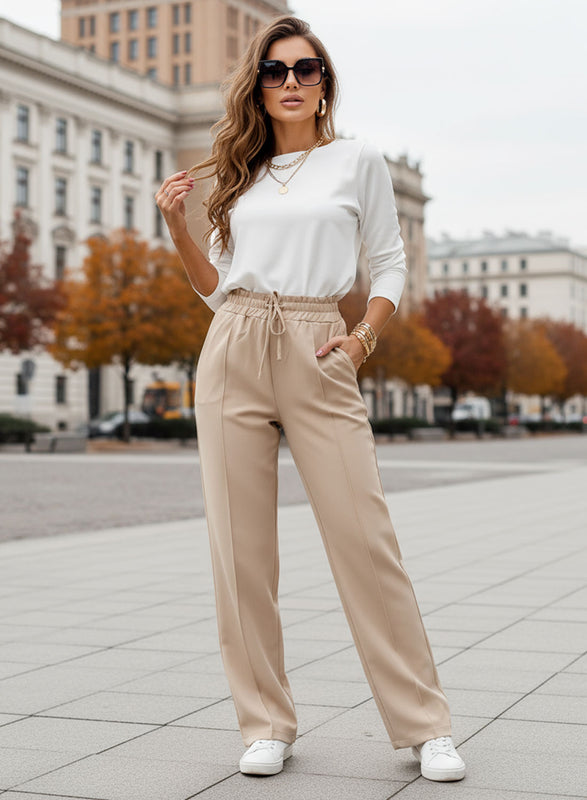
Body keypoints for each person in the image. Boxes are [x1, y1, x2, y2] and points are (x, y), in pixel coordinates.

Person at [156, 13, 466, 785]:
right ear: (256, 87)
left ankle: (424, 725)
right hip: (233, 345)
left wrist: (362, 339)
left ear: (324, 83)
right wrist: (176, 228)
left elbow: (389, 262)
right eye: (275, 71)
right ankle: (265, 722)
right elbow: (216, 289)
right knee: (240, 553)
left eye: (306, 69)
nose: (290, 82)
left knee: (365, 541)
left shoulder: (356, 160)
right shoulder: (240, 175)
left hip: (319, 341)